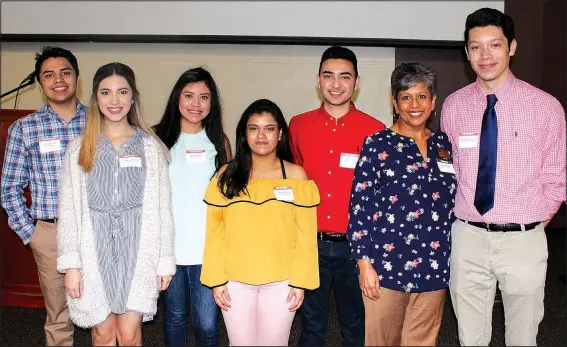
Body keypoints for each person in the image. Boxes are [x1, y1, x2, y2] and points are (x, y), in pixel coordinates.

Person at [441, 7, 566, 346]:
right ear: (466, 52)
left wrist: (531, 225)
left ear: (512, 47)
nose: (485, 55)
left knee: (523, 337)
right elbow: (451, 172)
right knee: (470, 336)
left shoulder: (546, 107)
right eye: (476, 46)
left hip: (522, 240)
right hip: (468, 237)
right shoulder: (453, 106)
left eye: (495, 45)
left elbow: (556, 178)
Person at [56, 62, 176, 346]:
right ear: (95, 98)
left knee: (130, 333)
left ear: (133, 97)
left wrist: (164, 261)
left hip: (138, 253)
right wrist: (71, 265)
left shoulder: (151, 147)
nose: (115, 101)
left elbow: (163, 210)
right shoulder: (79, 148)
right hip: (93, 255)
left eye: (122, 92)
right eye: (106, 93)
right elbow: (69, 211)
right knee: (102, 333)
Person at [348, 62, 456, 346]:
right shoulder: (377, 144)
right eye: (406, 97)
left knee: (423, 341)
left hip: (434, 266)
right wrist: (364, 264)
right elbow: (360, 207)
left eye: (422, 96)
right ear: (395, 103)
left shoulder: (443, 146)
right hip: (386, 268)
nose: (414, 104)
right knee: (383, 340)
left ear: (433, 102)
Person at [200, 99, 320, 346]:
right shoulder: (226, 176)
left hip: (282, 283)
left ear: (280, 134)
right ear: (244, 134)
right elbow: (215, 233)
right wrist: (217, 279)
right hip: (234, 282)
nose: (261, 135)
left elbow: (306, 236)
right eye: (253, 128)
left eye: (269, 128)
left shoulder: (297, 177)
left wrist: (301, 282)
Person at [289, 45, 386, 346]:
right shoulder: (298, 125)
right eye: (328, 76)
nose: (336, 84)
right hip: (310, 245)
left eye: (345, 77)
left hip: (354, 249)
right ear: (318, 80)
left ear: (357, 83)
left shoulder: (375, 130)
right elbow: (294, 179)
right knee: (311, 328)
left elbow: (378, 196)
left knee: (356, 329)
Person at [0, 46, 86, 346]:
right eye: (49, 75)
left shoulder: (101, 122)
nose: (58, 80)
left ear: (77, 78)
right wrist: (31, 233)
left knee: (105, 309)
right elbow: (9, 187)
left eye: (65, 72)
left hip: (98, 229)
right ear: (40, 84)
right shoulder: (24, 128)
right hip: (51, 233)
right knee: (59, 314)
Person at [154, 67, 232, 346]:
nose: (195, 104)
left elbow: (225, 199)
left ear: (212, 103)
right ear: (177, 98)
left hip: (207, 250)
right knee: (174, 318)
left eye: (204, 97)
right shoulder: (156, 139)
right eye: (188, 96)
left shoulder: (218, 142)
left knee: (207, 324)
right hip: (169, 249)